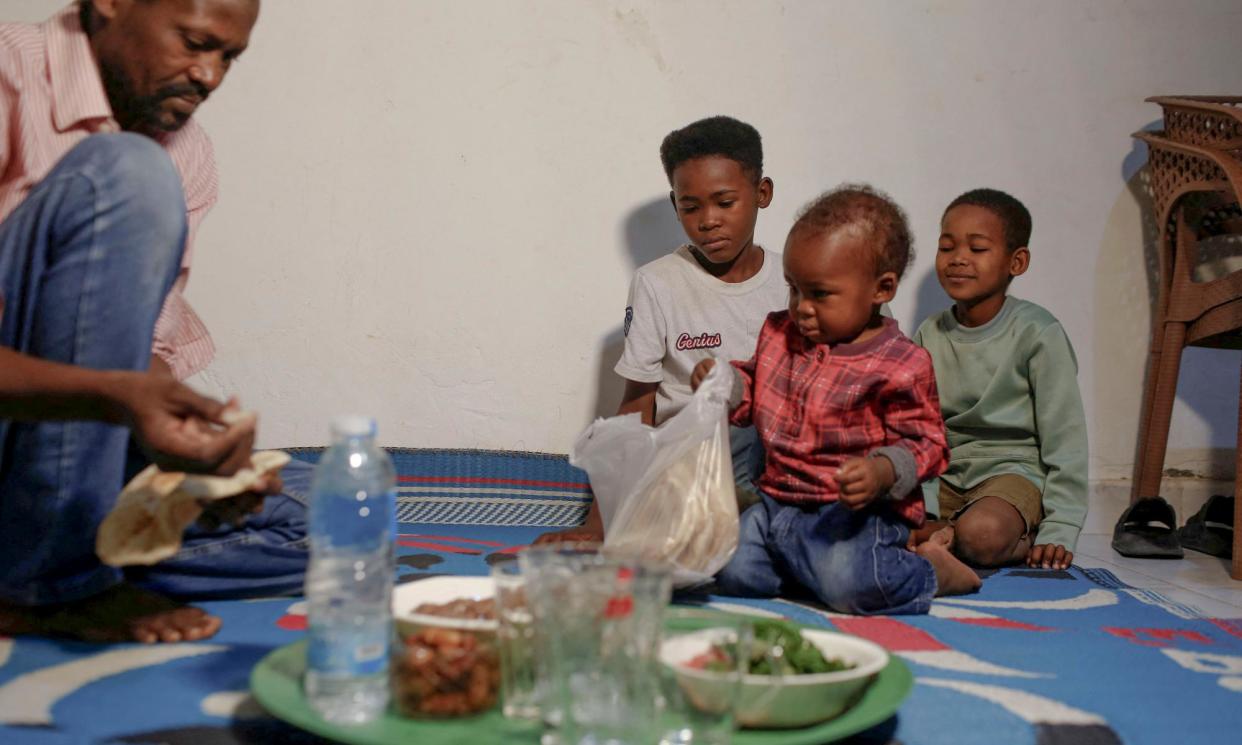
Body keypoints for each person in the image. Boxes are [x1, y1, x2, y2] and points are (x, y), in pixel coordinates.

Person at [0, 0, 309, 645]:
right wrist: (119, 397)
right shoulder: (8, 73)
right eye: (196, 43)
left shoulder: (187, 149)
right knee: (129, 169)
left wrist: (186, 440)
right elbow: (113, 383)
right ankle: (54, 584)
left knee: (331, 520)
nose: (210, 77)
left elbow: (130, 350)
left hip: (47, 463)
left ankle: (43, 560)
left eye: (229, 58)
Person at [692, 185, 981, 615]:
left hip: (852, 516)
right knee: (729, 571)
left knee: (849, 587)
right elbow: (756, 386)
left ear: (881, 289)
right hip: (776, 502)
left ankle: (931, 573)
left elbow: (929, 444)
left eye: (820, 294)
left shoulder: (900, 364)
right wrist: (727, 382)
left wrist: (883, 470)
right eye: (793, 289)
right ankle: (805, 569)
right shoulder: (779, 334)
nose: (801, 308)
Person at [536, 115, 786, 544]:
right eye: (691, 207)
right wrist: (598, 523)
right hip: (691, 473)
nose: (708, 220)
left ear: (762, 193)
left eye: (725, 203)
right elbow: (639, 404)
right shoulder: (658, 283)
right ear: (676, 206)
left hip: (779, 466)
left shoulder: (794, 282)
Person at [910, 188, 1087, 571]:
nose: (958, 259)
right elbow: (919, 431)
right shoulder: (929, 334)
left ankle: (1000, 534)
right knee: (873, 522)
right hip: (945, 475)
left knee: (983, 535)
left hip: (1012, 475)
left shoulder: (1038, 333)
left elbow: (1066, 438)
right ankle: (943, 534)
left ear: (1016, 261)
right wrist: (924, 508)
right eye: (946, 247)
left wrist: (1062, 525)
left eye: (977, 249)